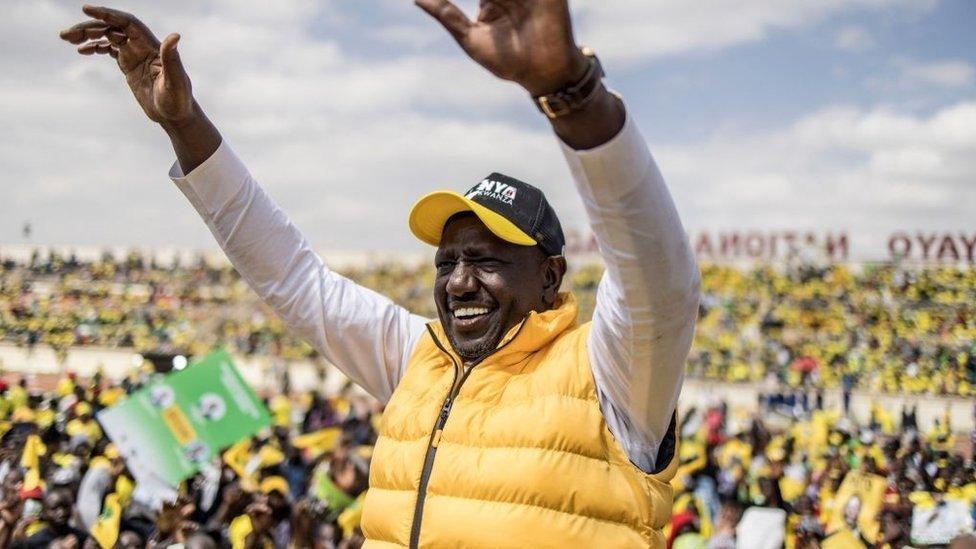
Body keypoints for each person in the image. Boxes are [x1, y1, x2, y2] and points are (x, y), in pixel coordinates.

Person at [59, 0, 700, 546]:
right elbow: (291, 277)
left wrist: (571, 91)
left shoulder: (612, 376)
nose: (457, 282)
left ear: (550, 276)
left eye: (486, 260)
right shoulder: (415, 358)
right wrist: (183, 124)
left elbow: (657, 279)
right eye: (447, 261)